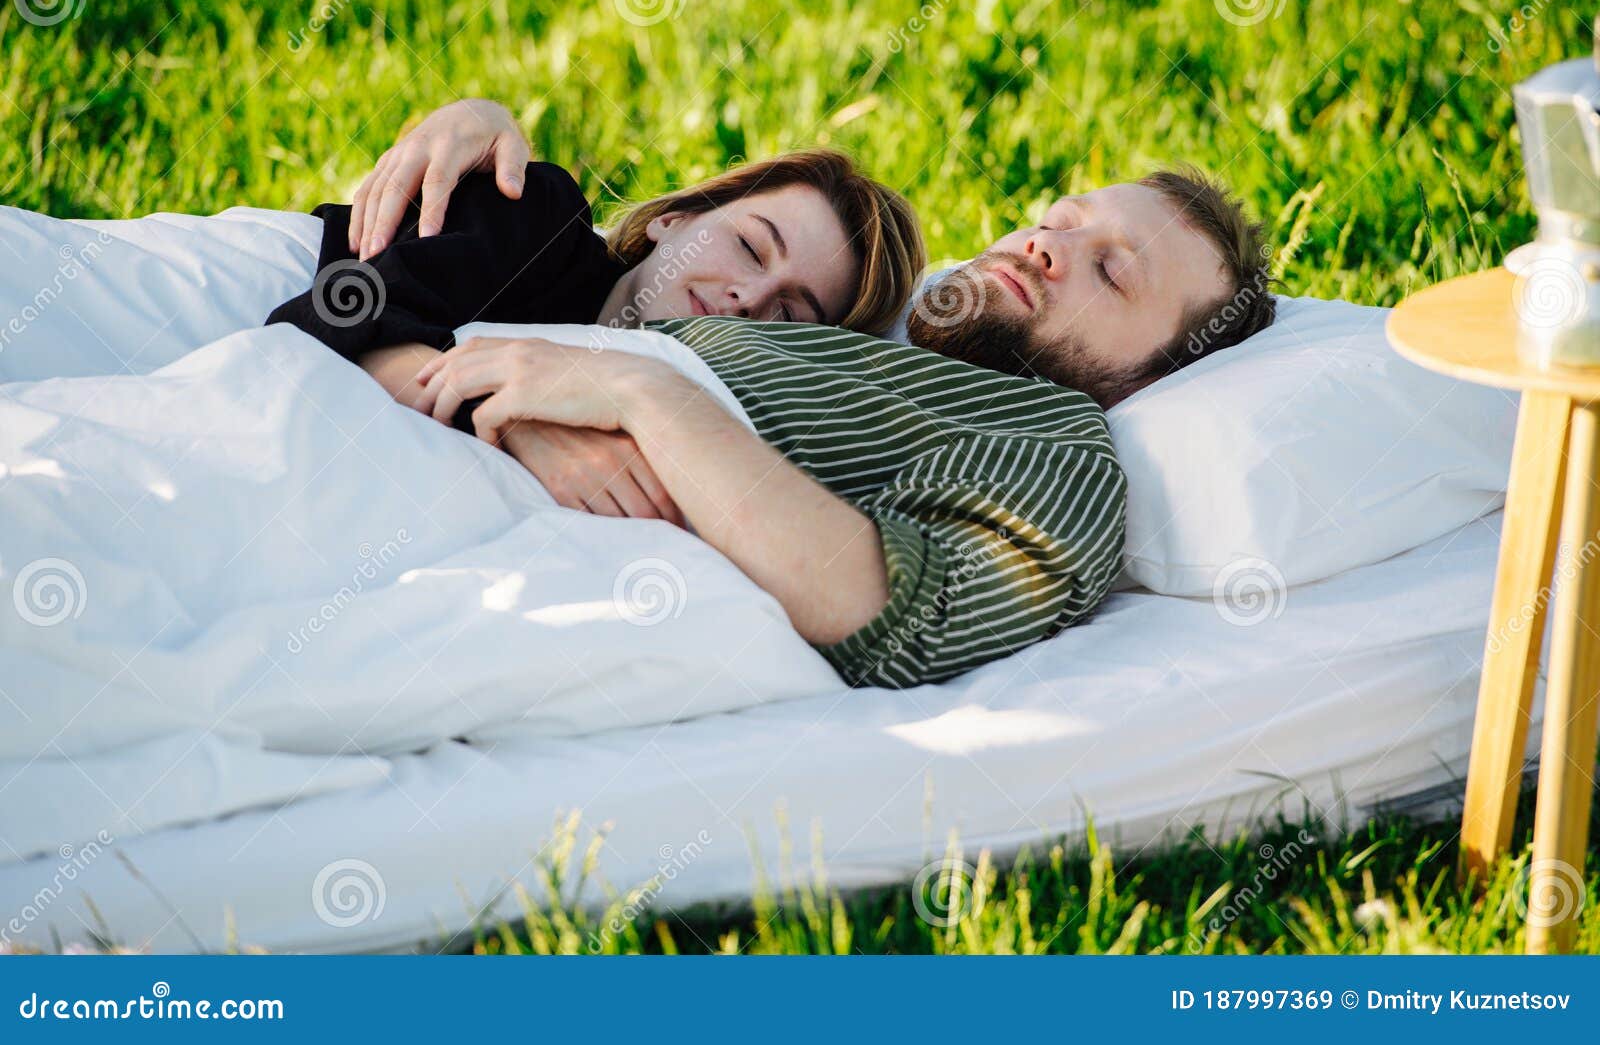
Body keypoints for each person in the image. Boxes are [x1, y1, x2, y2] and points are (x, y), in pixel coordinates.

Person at [269, 99, 1277, 690]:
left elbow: (887, 609)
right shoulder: (857, 336)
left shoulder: (1050, 439)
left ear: (1153, 376)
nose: (1050, 245)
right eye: (1061, 218)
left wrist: (635, 394)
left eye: (1112, 273)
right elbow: (359, 309)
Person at [267, 133, 924, 521]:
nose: (749, 297)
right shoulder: (536, 225)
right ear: (677, 218)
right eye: (752, 248)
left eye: (790, 313)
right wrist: (522, 425)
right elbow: (328, 319)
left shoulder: (704, 431)